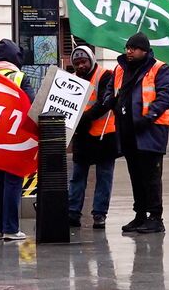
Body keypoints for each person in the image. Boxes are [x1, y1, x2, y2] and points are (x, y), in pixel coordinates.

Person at [104, 32, 169, 234]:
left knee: (151, 177)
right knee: (135, 175)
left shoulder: (159, 69)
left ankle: (155, 217)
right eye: (127, 47)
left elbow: (165, 97)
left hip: (150, 132)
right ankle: (140, 215)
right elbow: (111, 90)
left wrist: (149, 117)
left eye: (133, 48)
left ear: (144, 50)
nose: (129, 51)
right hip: (127, 131)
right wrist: (110, 100)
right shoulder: (120, 68)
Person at [0, 38, 35, 241]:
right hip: (13, 136)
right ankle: (11, 228)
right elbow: (31, 105)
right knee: (13, 181)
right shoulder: (19, 77)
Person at [68, 46, 118, 229]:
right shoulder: (72, 79)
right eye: (77, 63)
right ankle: (72, 212)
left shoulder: (105, 75)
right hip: (83, 135)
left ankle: (99, 214)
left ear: (91, 60)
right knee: (77, 176)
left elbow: (106, 101)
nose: (80, 66)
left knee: (104, 177)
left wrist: (86, 118)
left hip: (105, 134)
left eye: (83, 62)